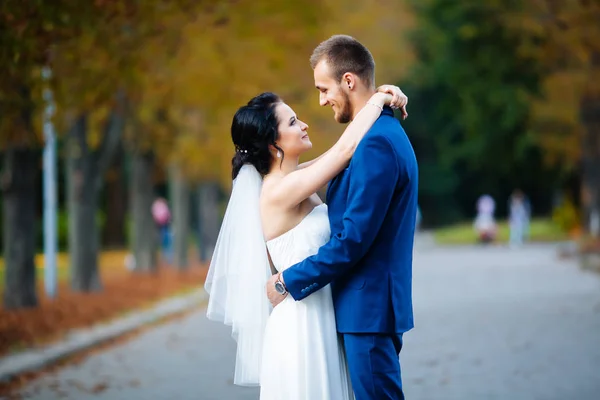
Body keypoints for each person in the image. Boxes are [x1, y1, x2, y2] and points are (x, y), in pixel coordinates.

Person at [265, 35, 418, 400]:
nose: (321, 101)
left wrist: (287, 280)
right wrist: (380, 96)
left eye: (324, 88)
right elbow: (337, 155)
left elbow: (352, 240)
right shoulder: (376, 134)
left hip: (368, 311)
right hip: (362, 311)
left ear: (349, 81)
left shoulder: (375, 143)